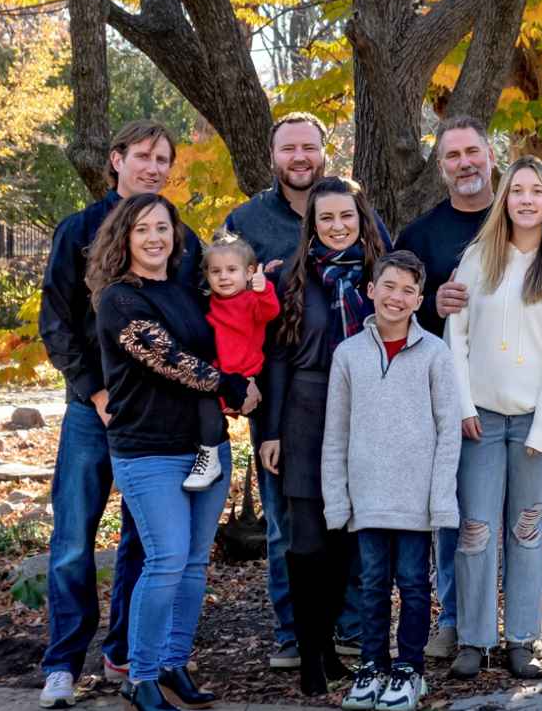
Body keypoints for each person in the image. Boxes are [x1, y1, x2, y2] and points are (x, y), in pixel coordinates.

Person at [38, 120, 202, 709]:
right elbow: (55, 321)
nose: (154, 167)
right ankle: (61, 663)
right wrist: (95, 391)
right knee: (75, 540)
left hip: (159, 419)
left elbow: (202, 318)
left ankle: (124, 653)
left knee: (146, 543)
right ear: (116, 159)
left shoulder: (179, 239)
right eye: (143, 156)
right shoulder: (79, 229)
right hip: (93, 410)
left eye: (164, 158)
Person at [86, 193, 260, 711]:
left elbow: (232, 324)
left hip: (205, 446)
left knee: (191, 566)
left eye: (163, 227)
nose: (155, 237)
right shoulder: (120, 298)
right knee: (163, 561)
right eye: (142, 229)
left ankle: (171, 664)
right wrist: (229, 386)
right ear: (124, 238)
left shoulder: (186, 289)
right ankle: (138, 676)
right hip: (148, 450)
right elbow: (168, 359)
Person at [445, 155, 542, 679]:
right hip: (479, 419)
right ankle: (474, 639)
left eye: (536, 190)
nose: (526, 199)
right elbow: (454, 340)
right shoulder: (478, 258)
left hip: (534, 422)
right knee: (476, 528)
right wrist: (462, 408)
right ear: (504, 199)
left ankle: (522, 638)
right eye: (517, 190)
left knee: (526, 531)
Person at [258, 176, 388, 695]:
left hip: (369, 410)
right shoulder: (291, 278)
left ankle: (332, 646)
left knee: (347, 542)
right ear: (312, 225)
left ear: (362, 219)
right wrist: (272, 432)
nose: (338, 227)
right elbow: (278, 357)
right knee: (308, 538)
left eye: (347, 217)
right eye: (326, 218)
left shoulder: (381, 275)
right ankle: (310, 654)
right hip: (307, 411)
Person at [320, 251, 461, 711]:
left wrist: (441, 499)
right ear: (371, 291)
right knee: (374, 584)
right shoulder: (348, 355)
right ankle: (373, 665)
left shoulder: (435, 354)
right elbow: (335, 434)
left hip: (416, 500)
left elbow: (448, 432)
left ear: (420, 300)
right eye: (389, 286)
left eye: (407, 290)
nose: (396, 297)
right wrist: (337, 501)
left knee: (415, 584)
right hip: (368, 496)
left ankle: (409, 670)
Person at [219, 112, 328, 669]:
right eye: (289, 149)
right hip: (276, 396)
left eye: (309, 146)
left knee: (348, 517)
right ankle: (294, 634)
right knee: (286, 522)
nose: (300, 157)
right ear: (272, 157)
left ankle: (349, 630)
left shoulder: (349, 210)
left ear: (324, 153)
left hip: (349, 394)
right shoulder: (245, 223)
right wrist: (233, 384)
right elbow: (212, 301)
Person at [394, 115, 496, 658]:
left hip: (517, 390)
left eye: (472, 152)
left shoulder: (522, 217)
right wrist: (431, 305)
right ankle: (455, 618)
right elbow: (394, 315)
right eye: (453, 156)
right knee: (454, 511)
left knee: (507, 514)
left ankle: (507, 621)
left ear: (491, 155)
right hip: (447, 395)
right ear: (441, 168)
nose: (465, 164)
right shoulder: (419, 234)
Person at [186, 236, 280, 490]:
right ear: (206, 274)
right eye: (216, 271)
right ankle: (209, 454)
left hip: (243, 376)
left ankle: (209, 457)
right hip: (220, 374)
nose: (224, 277)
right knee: (204, 404)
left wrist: (264, 289)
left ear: (249, 272)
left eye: (231, 270)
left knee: (207, 401)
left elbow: (269, 312)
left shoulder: (251, 301)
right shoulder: (211, 302)